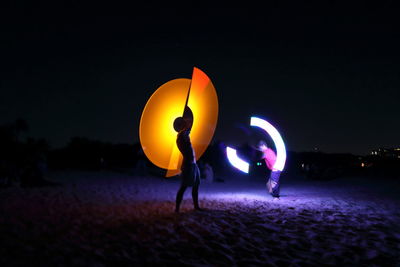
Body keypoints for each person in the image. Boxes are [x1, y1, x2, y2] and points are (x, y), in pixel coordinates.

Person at [174, 107, 202, 213]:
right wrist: (189, 113)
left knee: (196, 185)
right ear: (180, 126)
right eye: (182, 124)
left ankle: (196, 206)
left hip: (193, 165)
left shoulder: (183, 135)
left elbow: (189, 127)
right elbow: (189, 126)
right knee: (184, 187)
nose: (185, 125)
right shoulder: (181, 136)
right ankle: (177, 209)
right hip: (188, 165)